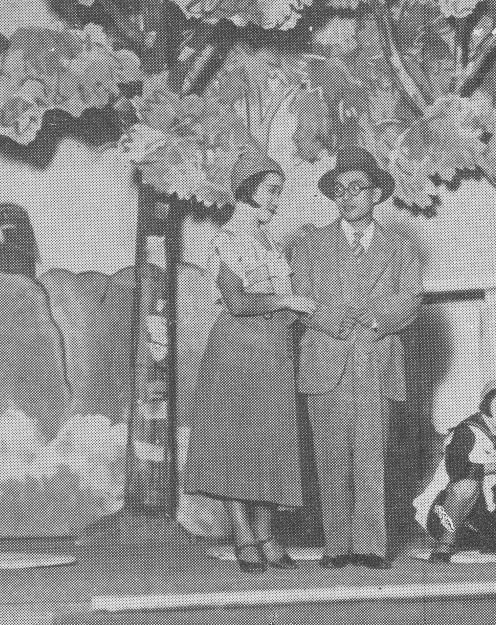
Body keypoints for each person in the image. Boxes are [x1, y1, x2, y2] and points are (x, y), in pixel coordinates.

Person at [181, 152, 318, 573]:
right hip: (238, 347)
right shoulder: (228, 238)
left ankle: (266, 533)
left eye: (279, 192)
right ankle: (243, 535)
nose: (276, 200)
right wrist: (287, 301)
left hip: (273, 348)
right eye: (271, 191)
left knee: (271, 442)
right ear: (249, 190)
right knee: (238, 444)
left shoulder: (268, 242)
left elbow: (287, 299)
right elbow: (238, 302)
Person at [287, 145, 422, 570]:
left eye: (357, 188)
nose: (347, 197)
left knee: (371, 455)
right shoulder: (310, 244)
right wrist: (332, 320)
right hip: (326, 357)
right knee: (329, 456)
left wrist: (377, 318)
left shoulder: (400, 247)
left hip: (376, 360)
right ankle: (336, 545)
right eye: (339, 190)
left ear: (377, 194)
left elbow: (411, 298)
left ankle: (370, 545)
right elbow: (297, 297)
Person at [413, 381, 496, 563]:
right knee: (468, 484)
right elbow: (456, 470)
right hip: (443, 513)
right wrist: (491, 467)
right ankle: (445, 544)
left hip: (479, 518)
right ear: (487, 403)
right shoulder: (467, 430)